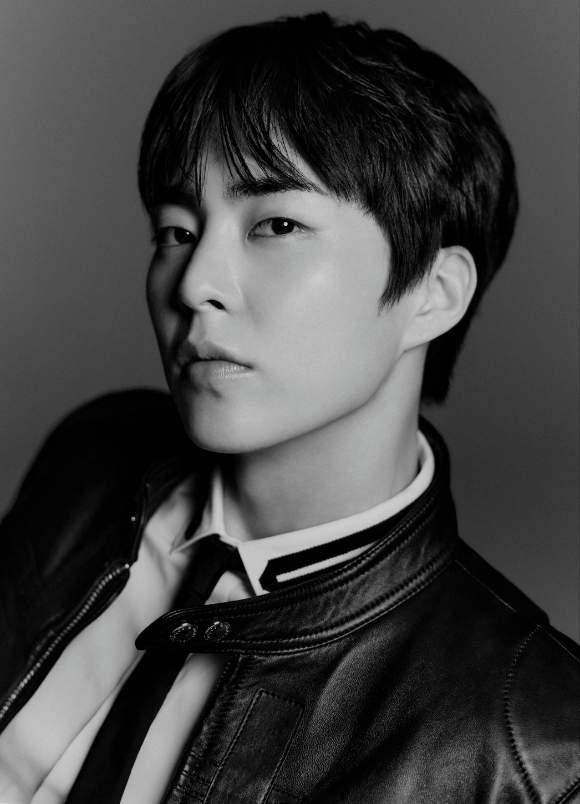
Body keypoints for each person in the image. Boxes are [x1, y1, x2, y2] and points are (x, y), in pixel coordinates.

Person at [0, 11, 578, 803]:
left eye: (276, 224)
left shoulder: (534, 743)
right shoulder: (94, 454)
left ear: (434, 294)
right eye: (175, 230)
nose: (195, 282)